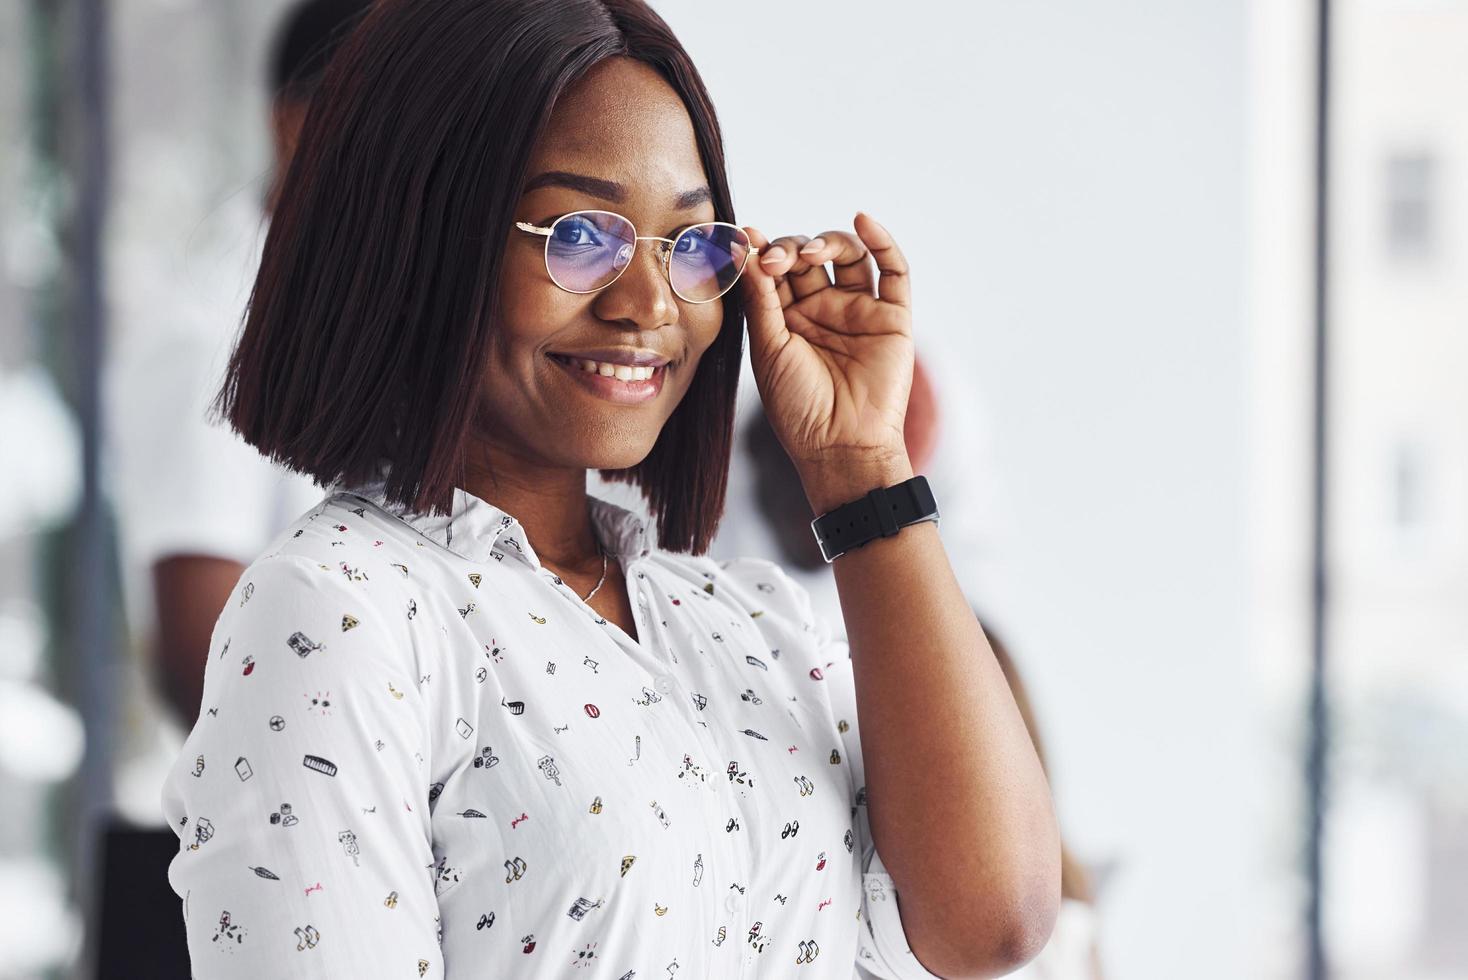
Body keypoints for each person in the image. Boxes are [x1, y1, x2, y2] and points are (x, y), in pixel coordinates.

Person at [160, 1, 1062, 976]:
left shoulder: (745, 621)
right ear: (424, 234)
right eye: (578, 234)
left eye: (690, 243)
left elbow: (994, 920)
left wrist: (861, 468)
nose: (646, 304)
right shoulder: (340, 611)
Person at [96, 4, 372, 976]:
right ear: (296, 121)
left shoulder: (345, 313)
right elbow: (200, 655)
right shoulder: (215, 329)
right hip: (236, 884)